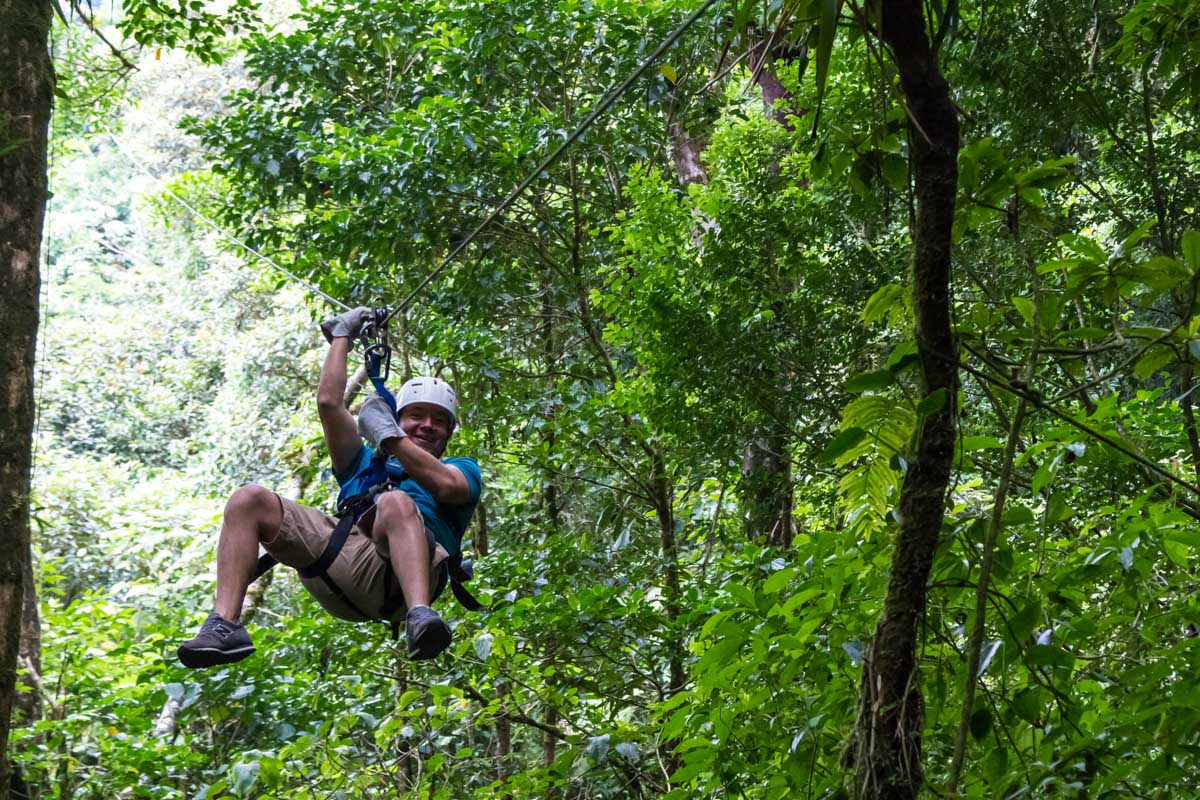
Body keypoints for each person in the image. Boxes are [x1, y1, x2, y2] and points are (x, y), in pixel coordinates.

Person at [177, 307, 482, 667]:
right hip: (343, 561)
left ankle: (421, 617)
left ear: (448, 433)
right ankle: (224, 624)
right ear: (399, 418)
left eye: (439, 421)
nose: (427, 425)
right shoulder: (364, 464)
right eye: (416, 415)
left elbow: (446, 486)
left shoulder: (461, 468)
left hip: (407, 578)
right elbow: (329, 404)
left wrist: (390, 438)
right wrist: (342, 336)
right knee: (248, 500)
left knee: (395, 502)